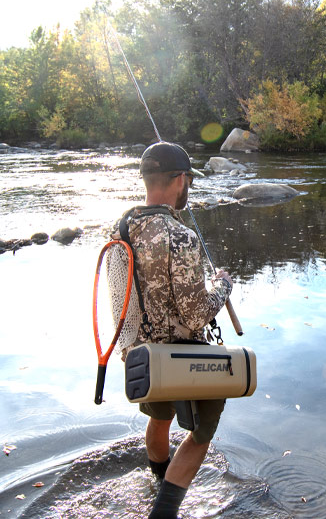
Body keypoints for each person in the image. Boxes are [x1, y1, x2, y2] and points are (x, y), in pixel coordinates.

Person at [116, 141, 233, 519]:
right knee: (202, 433)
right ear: (180, 179)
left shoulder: (121, 226)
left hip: (139, 358)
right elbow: (197, 313)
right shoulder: (181, 237)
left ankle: (159, 479)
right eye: (189, 181)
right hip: (181, 360)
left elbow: (122, 296)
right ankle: (163, 513)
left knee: (161, 416)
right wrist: (223, 286)